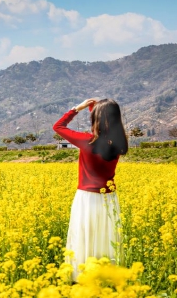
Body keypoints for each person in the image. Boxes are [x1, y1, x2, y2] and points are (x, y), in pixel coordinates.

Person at [53, 98, 129, 281]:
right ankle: (107, 276)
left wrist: (78, 108)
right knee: (105, 237)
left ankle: (82, 277)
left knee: (85, 236)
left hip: (86, 198)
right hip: (108, 197)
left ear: (96, 120)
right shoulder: (120, 144)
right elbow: (105, 129)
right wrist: (98, 112)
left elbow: (58, 126)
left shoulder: (86, 141)